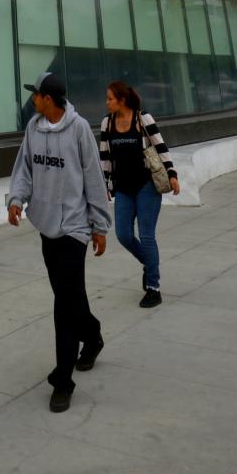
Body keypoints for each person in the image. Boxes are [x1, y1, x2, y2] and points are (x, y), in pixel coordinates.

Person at [6, 71, 110, 413]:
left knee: (63, 305)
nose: (32, 99)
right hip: (46, 225)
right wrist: (16, 200)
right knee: (69, 295)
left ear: (47, 98)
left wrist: (99, 225)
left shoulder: (78, 129)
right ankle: (92, 335)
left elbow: (94, 176)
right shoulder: (34, 129)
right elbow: (24, 168)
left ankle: (62, 380)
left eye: (34, 94)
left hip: (75, 228)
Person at [98, 81, 179, 308]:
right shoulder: (107, 123)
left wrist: (172, 174)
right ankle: (149, 264)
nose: (107, 103)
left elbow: (161, 148)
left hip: (147, 186)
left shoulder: (142, 119)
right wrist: (105, 184)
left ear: (121, 100)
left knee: (146, 236)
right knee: (123, 234)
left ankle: (153, 288)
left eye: (110, 99)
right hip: (123, 188)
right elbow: (105, 157)